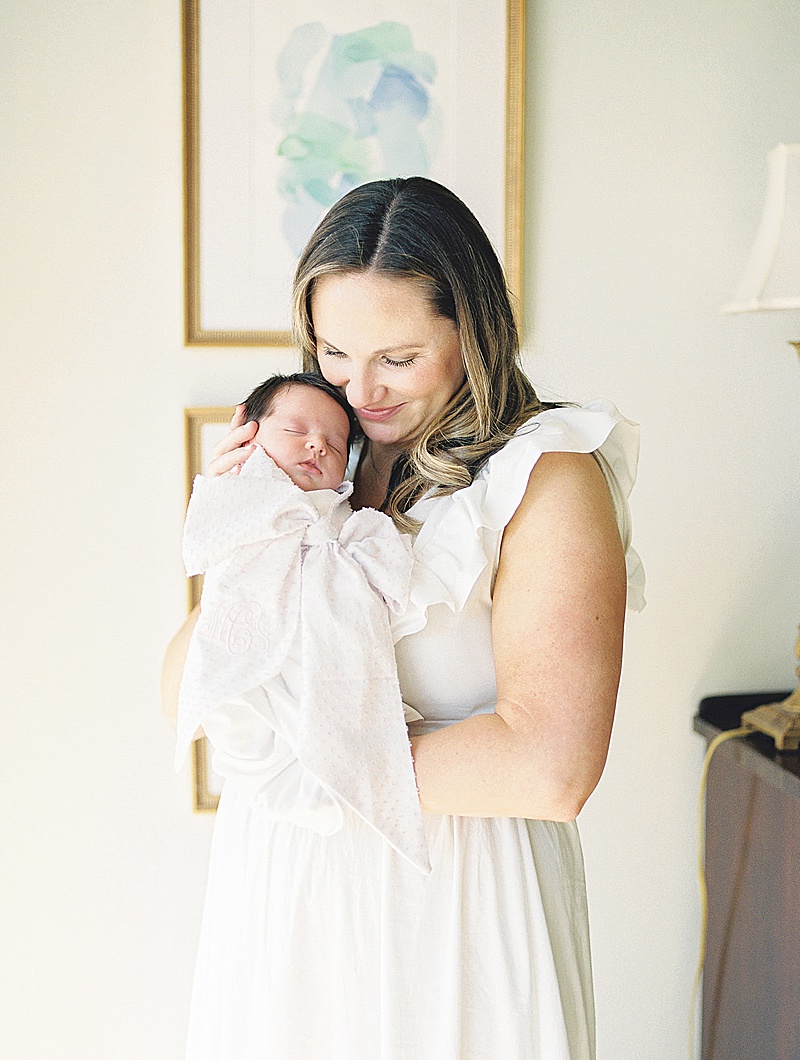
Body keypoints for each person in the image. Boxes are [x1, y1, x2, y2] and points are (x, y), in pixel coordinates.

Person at [163, 176, 645, 1060]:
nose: (360, 389)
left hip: (457, 903)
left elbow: (550, 769)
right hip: (287, 897)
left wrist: (309, 752)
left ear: (473, 335)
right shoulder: (316, 468)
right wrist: (246, 524)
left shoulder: (546, 476)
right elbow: (189, 691)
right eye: (334, 352)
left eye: (398, 357)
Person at [175, 371, 428, 871]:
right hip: (255, 670)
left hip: (322, 660)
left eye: (335, 444)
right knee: (248, 719)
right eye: (295, 432)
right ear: (248, 433)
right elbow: (213, 558)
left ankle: (326, 768)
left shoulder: (348, 522)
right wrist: (234, 494)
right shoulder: (241, 503)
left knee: (336, 694)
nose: (317, 444)